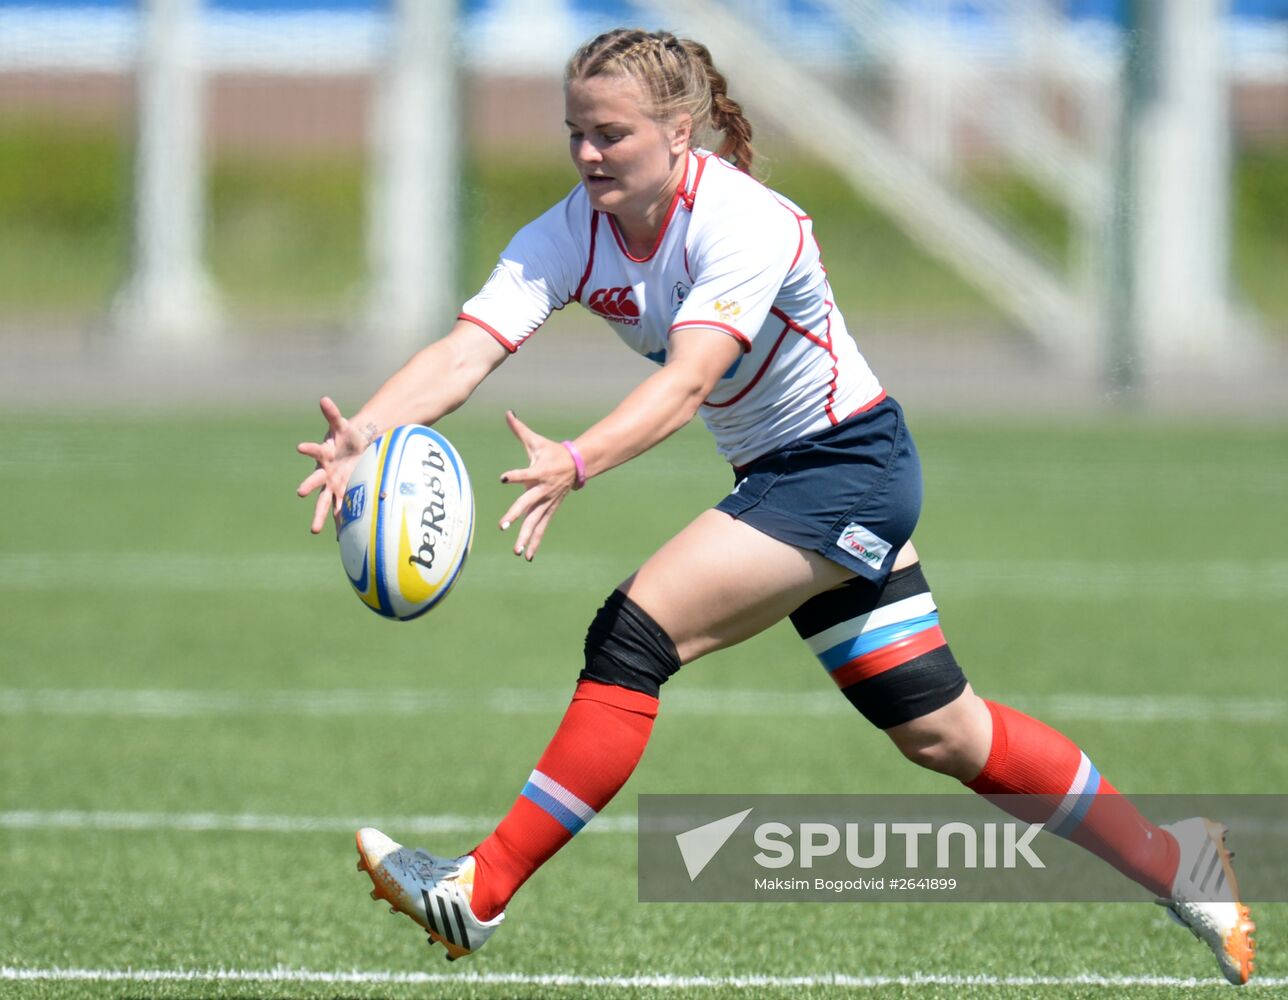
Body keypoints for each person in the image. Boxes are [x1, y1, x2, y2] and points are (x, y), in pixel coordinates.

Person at [297, 27, 1254, 986]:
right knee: (943, 731)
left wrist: (576, 461)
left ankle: (482, 889)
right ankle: (1183, 868)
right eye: (575, 132)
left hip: (847, 467)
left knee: (634, 635)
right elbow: (467, 350)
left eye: (612, 134)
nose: (589, 153)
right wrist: (365, 432)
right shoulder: (571, 231)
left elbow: (686, 385)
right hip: (792, 479)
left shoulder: (746, 222)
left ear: (678, 133)